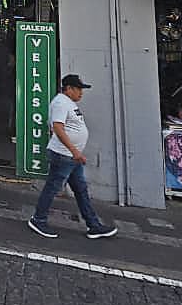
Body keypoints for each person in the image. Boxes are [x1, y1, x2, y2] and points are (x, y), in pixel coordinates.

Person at [27, 73, 118, 240]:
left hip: (70, 157)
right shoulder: (61, 102)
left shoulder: (68, 103)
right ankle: (38, 220)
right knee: (53, 188)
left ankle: (93, 225)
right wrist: (75, 151)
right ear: (68, 89)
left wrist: (75, 152)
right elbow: (58, 127)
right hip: (64, 155)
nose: (81, 93)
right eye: (78, 89)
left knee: (80, 190)